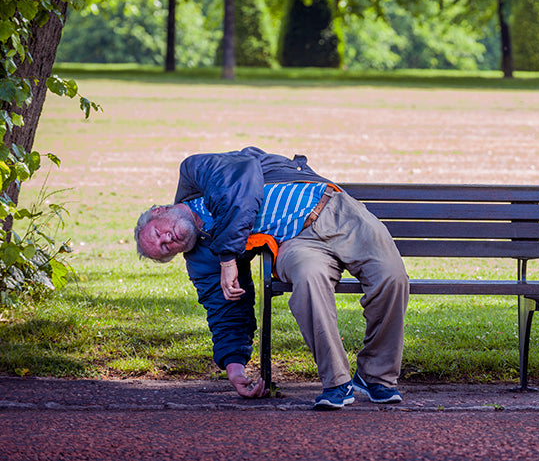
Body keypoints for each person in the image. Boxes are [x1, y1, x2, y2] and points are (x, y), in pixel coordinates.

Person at [134, 147, 409, 410]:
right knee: (309, 279)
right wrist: (235, 369)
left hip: (335, 210)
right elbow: (225, 309)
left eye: (158, 234)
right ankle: (337, 383)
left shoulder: (195, 172)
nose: (167, 241)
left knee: (391, 278)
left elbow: (240, 181)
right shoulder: (204, 257)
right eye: (164, 250)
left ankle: (376, 376)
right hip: (296, 243)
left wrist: (228, 256)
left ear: (159, 211)